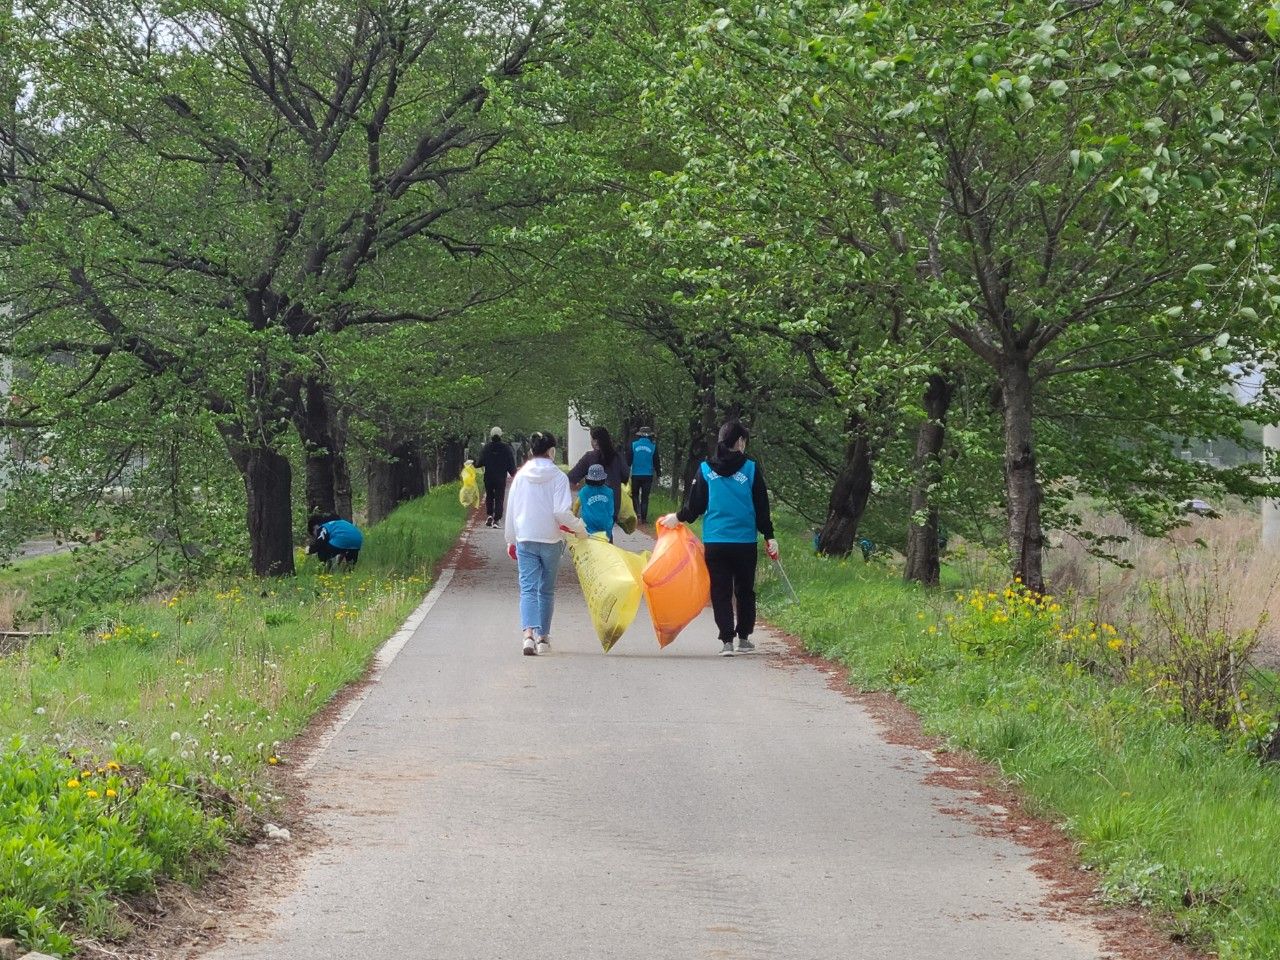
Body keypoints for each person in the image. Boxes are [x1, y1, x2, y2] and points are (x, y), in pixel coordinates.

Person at [660, 420, 777, 657]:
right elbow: (761, 507)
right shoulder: (751, 469)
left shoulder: (705, 469)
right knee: (745, 590)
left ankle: (726, 641)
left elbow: (695, 506)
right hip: (744, 542)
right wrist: (770, 536)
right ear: (740, 442)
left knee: (721, 591)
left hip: (716, 541)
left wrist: (677, 517)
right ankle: (743, 637)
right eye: (744, 440)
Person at [505, 431, 586, 656]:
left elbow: (512, 510)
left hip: (526, 538)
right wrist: (580, 528)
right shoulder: (559, 477)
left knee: (528, 589)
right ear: (552, 451)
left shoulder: (520, 476)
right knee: (546, 590)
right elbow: (561, 511)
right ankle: (543, 638)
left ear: (531, 451)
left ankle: (528, 636)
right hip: (551, 539)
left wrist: (510, 539)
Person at [567, 426, 629, 527]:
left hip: (592, 506)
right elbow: (625, 477)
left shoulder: (589, 457)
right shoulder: (617, 457)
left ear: (595, 441)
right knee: (607, 534)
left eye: (591, 439)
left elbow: (571, 477)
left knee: (591, 536)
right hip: (612, 506)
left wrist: (579, 486)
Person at [479, 426, 517, 528]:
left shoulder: (486, 448)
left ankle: (490, 514)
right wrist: (514, 474)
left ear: (491, 435)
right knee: (499, 498)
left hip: (489, 477)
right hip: (500, 477)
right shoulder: (506, 448)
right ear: (501, 435)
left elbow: (480, 462)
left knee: (489, 496)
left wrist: (472, 464)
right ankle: (497, 519)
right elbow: (510, 463)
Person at [628, 427, 660, 525]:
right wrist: (659, 473)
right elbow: (656, 462)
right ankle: (644, 518)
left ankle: (637, 514)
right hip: (648, 475)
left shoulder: (633, 445)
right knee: (645, 497)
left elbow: (628, 461)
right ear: (650, 435)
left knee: (635, 495)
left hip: (636, 474)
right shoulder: (653, 447)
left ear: (639, 435)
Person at [578, 463, 616, 541]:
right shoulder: (609, 491)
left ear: (588, 479)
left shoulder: (583, 491)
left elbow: (576, 505)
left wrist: (574, 516)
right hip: (605, 525)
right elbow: (611, 509)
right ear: (603, 479)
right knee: (607, 545)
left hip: (589, 526)